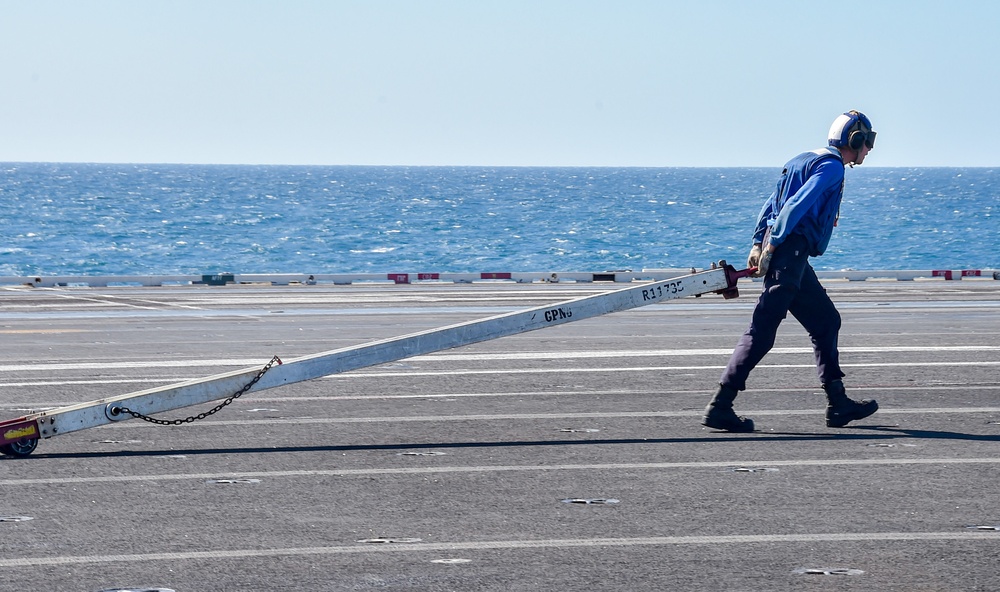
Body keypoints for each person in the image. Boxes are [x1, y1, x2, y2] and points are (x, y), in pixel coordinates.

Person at [702, 110, 879, 432]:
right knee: (762, 329)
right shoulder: (832, 167)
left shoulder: (801, 159)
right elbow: (797, 203)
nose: (869, 150)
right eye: (869, 142)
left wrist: (759, 242)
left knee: (826, 321)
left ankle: (838, 404)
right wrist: (772, 247)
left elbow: (773, 203)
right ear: (855, 140)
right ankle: (720, 405)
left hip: (790, 253)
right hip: (789, 251)